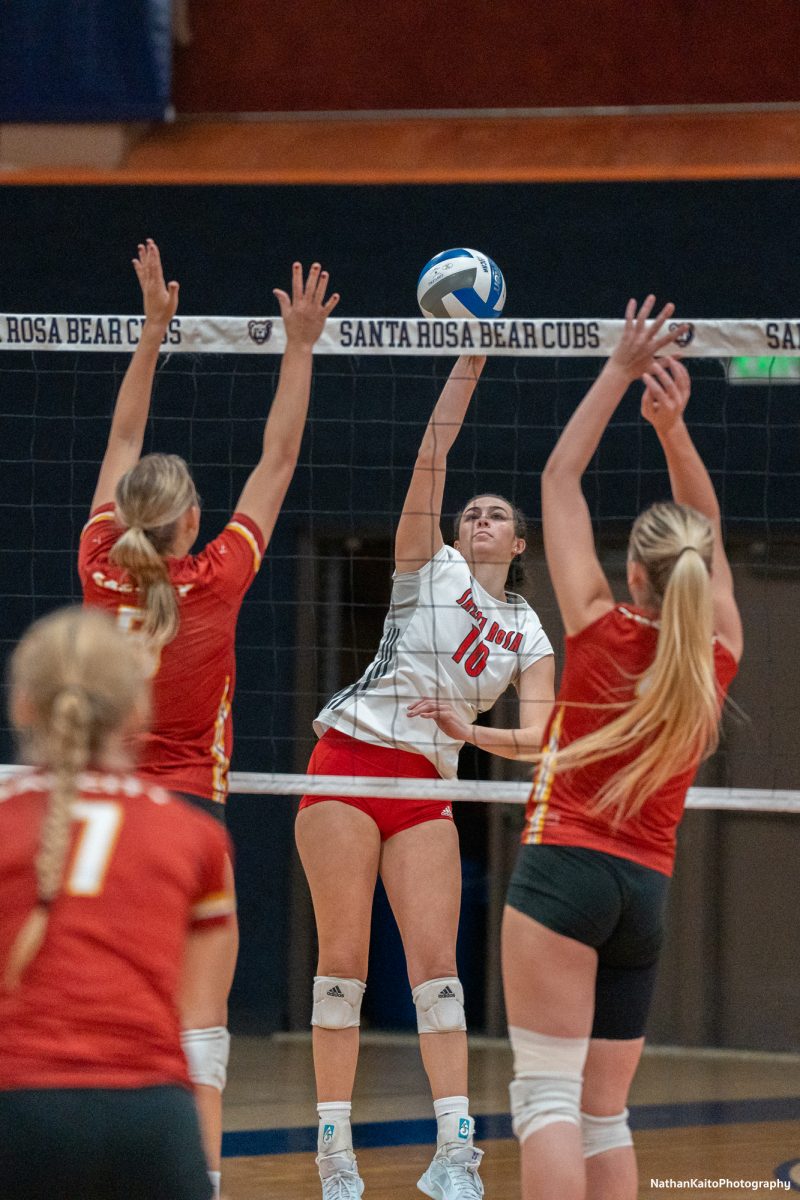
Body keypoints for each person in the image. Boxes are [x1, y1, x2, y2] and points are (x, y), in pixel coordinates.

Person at [79, 239, 338, 1198]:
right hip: (188, 824)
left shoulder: (98, 560)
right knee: (198, 1034)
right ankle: (203, 1186)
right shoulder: (219, 579)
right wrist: (299, 344)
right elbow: (279, 458)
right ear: (191, 524)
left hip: (102, 820)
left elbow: (119, 441)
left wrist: (152, 331)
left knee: (101, 1013)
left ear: (131, 517)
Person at [296, 354, 556, 1200]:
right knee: (343, 966)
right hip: (347, 763)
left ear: (518, 545)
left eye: (497, 518)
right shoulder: (428, 567)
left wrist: (470, 731)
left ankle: (456, 1154)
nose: (479, 519)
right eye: (472, 512)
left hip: (425, 789)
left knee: (437, 973)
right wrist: (468, 367)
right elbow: (431, 459)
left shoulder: (529, 633)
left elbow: (543, 734)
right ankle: (335, 1156)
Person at [502, 297, 743, 1200]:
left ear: (635, 574)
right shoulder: (717, 658)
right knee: (606, 1114)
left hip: (564, 872)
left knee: (548, 1104)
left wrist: (617, 370)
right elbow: (703, 531)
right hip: (645, 892)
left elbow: (559, 482)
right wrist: (674, 432)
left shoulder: (598, 629)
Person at [0, 606, 237, 1200]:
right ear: (138, 712)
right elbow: (197, 1017)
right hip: (151, 1121)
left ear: (21, 704)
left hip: (15, 1108)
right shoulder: (196, 837)